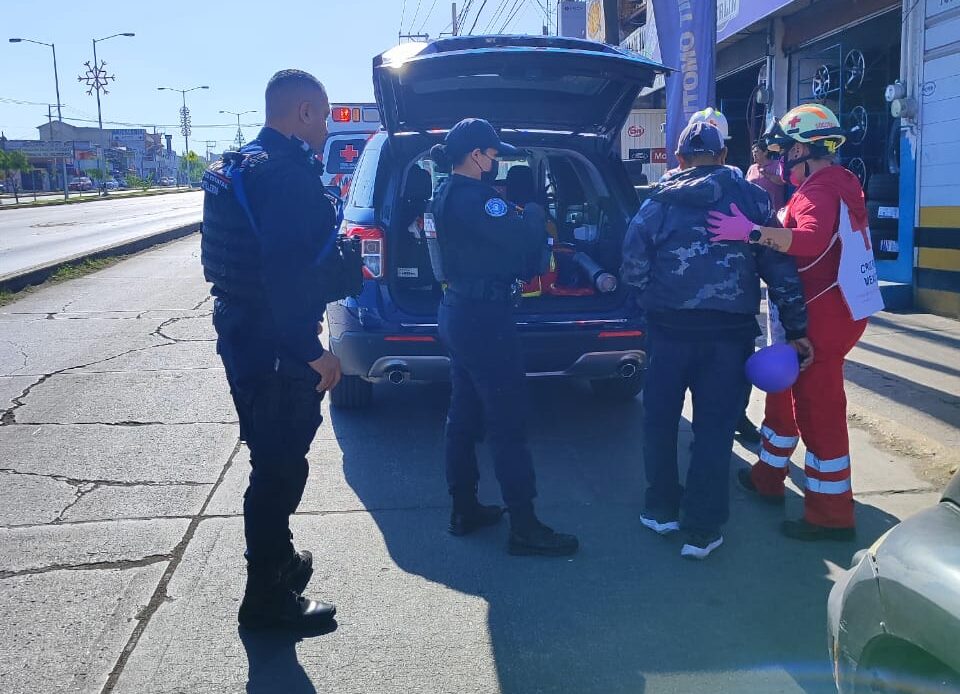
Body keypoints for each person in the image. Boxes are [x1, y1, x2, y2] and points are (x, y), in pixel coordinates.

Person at [201, 69, 351, 629]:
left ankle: (281, 561)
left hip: (241, 329)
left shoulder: (237, 165)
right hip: (273, 341)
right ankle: (265, 597)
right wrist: (312, 351)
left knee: (270, 452)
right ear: (305, 113)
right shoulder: (286, 177)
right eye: (327, 112)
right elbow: (285, 274)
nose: (329, 124)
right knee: (279, 467)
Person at [621, 121, 811, 560]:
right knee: (714, 429)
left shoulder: (659, 200)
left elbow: (632, 260)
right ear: (724, 156)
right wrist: (797, 329)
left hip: (668, 333)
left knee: (660, 421)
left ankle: (661, 508)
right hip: (728, 338)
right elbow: (779, 269)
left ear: (681, 157)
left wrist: (653, 300)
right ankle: (703, 529)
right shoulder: (754, 198)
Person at [707, 104, 880, 541]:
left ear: (805, 149)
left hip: (821, 316)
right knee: (782, 397)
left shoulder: (821, 192)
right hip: (816, 310)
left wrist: (749, 231)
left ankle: (830, 516)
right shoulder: (832, 185)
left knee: (818, 410)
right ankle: (768, 476)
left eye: (785, 153)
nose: (780, 163)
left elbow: (807, 241)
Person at [429, 118, 578, 556]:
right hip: (484, 319)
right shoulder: (475, 198)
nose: (496, 161)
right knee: (507, 421)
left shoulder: (443, 192)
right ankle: (525, 525)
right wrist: (531, 209)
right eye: (493, 155)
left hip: (457, 312)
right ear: (476, 155)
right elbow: (524, 239)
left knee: (463, 414)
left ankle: (464, 508)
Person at [746, 141, 786, 213]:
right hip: (754, 210)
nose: (754, 154)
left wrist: (766, 174)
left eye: (756, 151)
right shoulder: (752, 168)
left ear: (765, 152)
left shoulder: (777, 165)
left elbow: (781, 181)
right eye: (753, 152)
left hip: (774, 211)